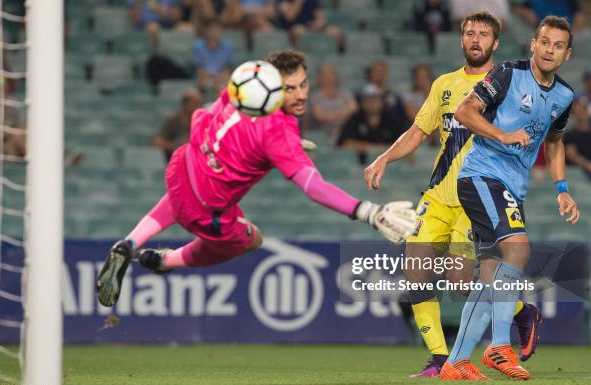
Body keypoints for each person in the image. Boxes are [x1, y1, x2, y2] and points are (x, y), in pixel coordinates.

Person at [96, 50, 417, 308]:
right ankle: (167, 261)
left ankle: (130, 242)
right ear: (274, 88)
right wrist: (369, 212)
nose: (301, 94)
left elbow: (216, 116)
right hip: (207, 208)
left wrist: (274, 149)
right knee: (252, 240)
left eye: (303, 84)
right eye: (290, 89)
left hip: (185, 165)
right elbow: (314, 188)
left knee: (190, 187)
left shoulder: (241, 87)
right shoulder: (279, 131)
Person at [363, 12, 539, 379]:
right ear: (462, 40)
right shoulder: (444, 84)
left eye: (483, 35)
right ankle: (439, 361)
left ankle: (521, 310)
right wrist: (384, 157)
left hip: (475, 199)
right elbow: (417, 130)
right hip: (439, 196)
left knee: (460, 284)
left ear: (495, 44)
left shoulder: (506, 87)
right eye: (470, 33)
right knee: (416, 273)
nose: (475, 39)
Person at [438, 15, 578, 380]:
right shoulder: (506, 73)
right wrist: (501, 135)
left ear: (567, 54)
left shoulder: (564, 95)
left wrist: (562, 189)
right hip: (481, 175)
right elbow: (465, 111)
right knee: (518, 249)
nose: (549, 50)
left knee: (490, 278)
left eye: (557, 45)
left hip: (511, 188)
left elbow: (556, 141)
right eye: (544, 42)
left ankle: (455, 363)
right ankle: (500, 346)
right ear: (533, 44)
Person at [337, 84, 399, 164]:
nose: (372, 103)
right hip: (361, 165)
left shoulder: (391, 118)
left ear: (381, 101)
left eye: (375, 99)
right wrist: (376, 149)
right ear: (362, 102)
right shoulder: (355, 119)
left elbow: (404, 142)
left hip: (389, 164)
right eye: (368, 99)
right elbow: (345, 143)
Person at [310, 63, 358, 141]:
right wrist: (343, 113)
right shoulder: (315, 96)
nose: (329, 79)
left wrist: (330, 114)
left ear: (336, 77)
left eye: (331, 75)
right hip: (322, 133)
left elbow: (353, 110)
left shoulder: (346, 94)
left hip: (346, 131)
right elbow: (319, 116)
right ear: (319, 79)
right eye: (325, 76)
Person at [154, 88, 203, 162]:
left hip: (196, 161)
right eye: (195, 103)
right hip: (175, 160)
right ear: (185, 105)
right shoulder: (173, 120)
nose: (199, 106)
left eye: (199, 103)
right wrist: (174, 146)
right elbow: (158, 142)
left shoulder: (201, 121)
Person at [276, 0, 345, 53]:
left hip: (311, 26)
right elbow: (290, 17)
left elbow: (321, 17)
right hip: (294, 28)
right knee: (297, 30)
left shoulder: (312, 0)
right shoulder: (284, 1)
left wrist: (318, 24)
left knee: (336, 31)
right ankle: (298, 55)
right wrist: (298, 2)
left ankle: (339, 55)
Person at [365, 59, 410, 138]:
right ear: (371, 73)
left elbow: (402, 118)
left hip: (390, 134)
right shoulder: (363, 94)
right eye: (377, 71)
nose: (380, 74)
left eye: (382, 72)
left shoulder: (394, 97)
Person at [192, 19, 235, 95]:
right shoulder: (198, 46)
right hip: (204, 77)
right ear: (206, 31)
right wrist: (211, 77)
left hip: (221, 77)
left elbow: (228, 68)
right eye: (212, 29)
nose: (215, 32)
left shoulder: (227, 46)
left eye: (217, 29)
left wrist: (218, 78)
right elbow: (199, 69)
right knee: (200, 83)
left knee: (224, 85)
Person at [564, 95, 591, 179]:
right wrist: (587, 165)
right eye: (577, 110)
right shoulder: (570, 134)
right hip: (577, 175)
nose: (581, 112)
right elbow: (572, 155)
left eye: (583, 109)